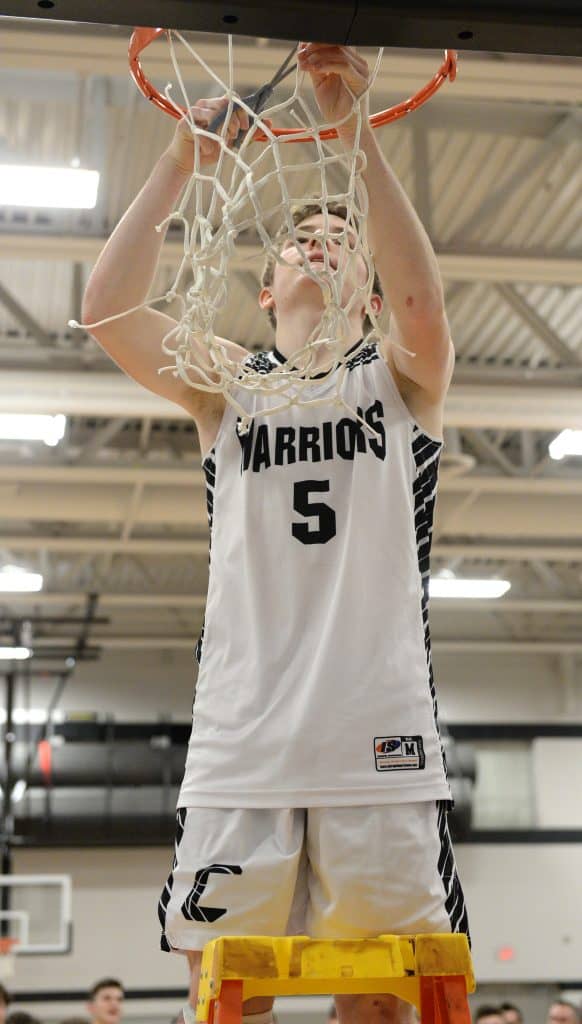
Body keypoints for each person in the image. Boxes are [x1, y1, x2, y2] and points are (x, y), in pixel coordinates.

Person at [82, 40, 467, 1024]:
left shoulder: (400, 380)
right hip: (243, 739)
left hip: (372, 740)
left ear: (367, 290)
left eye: (342, 236)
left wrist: (354, 140)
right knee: (229, 993)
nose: (322, 239)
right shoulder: (229, 384)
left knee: (382, 999)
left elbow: (423, 305)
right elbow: (110, 309)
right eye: (302, 237)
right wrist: (177, 165)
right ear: (265, 288)